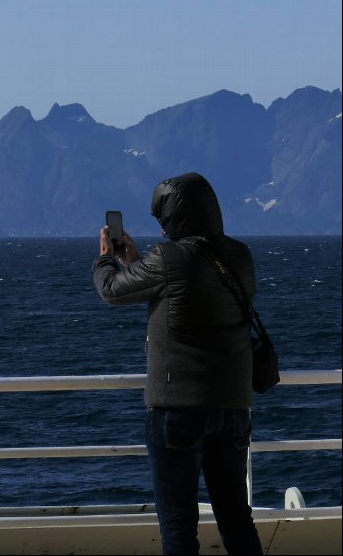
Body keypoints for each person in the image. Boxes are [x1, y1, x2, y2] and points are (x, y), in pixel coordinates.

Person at [92, 172, 262, 556]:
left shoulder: (168, 258)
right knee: (237, 520)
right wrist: (136, 263)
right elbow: (190, 291)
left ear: (174, 218)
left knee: (178, 527)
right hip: (232, 407)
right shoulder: (240, 255)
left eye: (164, 219)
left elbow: (113, 291)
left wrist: (107, 259)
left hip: (177, 410)